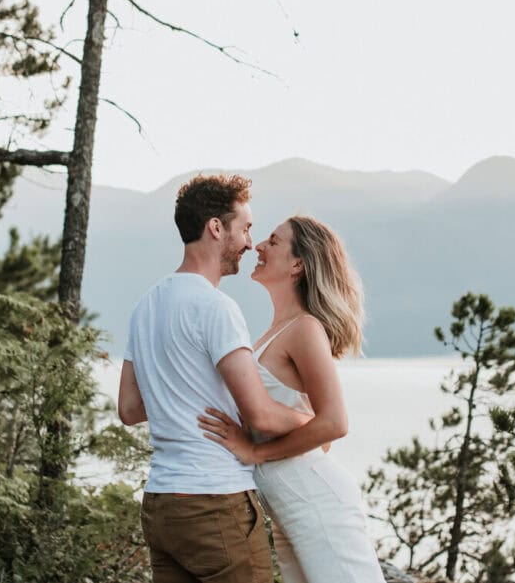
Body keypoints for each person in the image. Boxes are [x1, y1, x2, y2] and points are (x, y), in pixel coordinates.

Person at [118, 175, 311, 583]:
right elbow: (260, 415)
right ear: (216, 227)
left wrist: (180, 396)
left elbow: (130, 409)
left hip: (162, 504)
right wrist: (309, 422)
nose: (249, 243)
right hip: (214, 501)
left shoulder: (145, 306)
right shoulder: (216, 307)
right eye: (245, 228)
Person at [198, 215, 386, 583]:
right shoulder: (274, 333)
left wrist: (256, 452)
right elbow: (316, 431)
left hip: (316, 502)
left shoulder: (305, 329)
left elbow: (334, 424)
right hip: (288, 506)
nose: (259, 246)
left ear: (298, 264)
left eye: (273, 241)